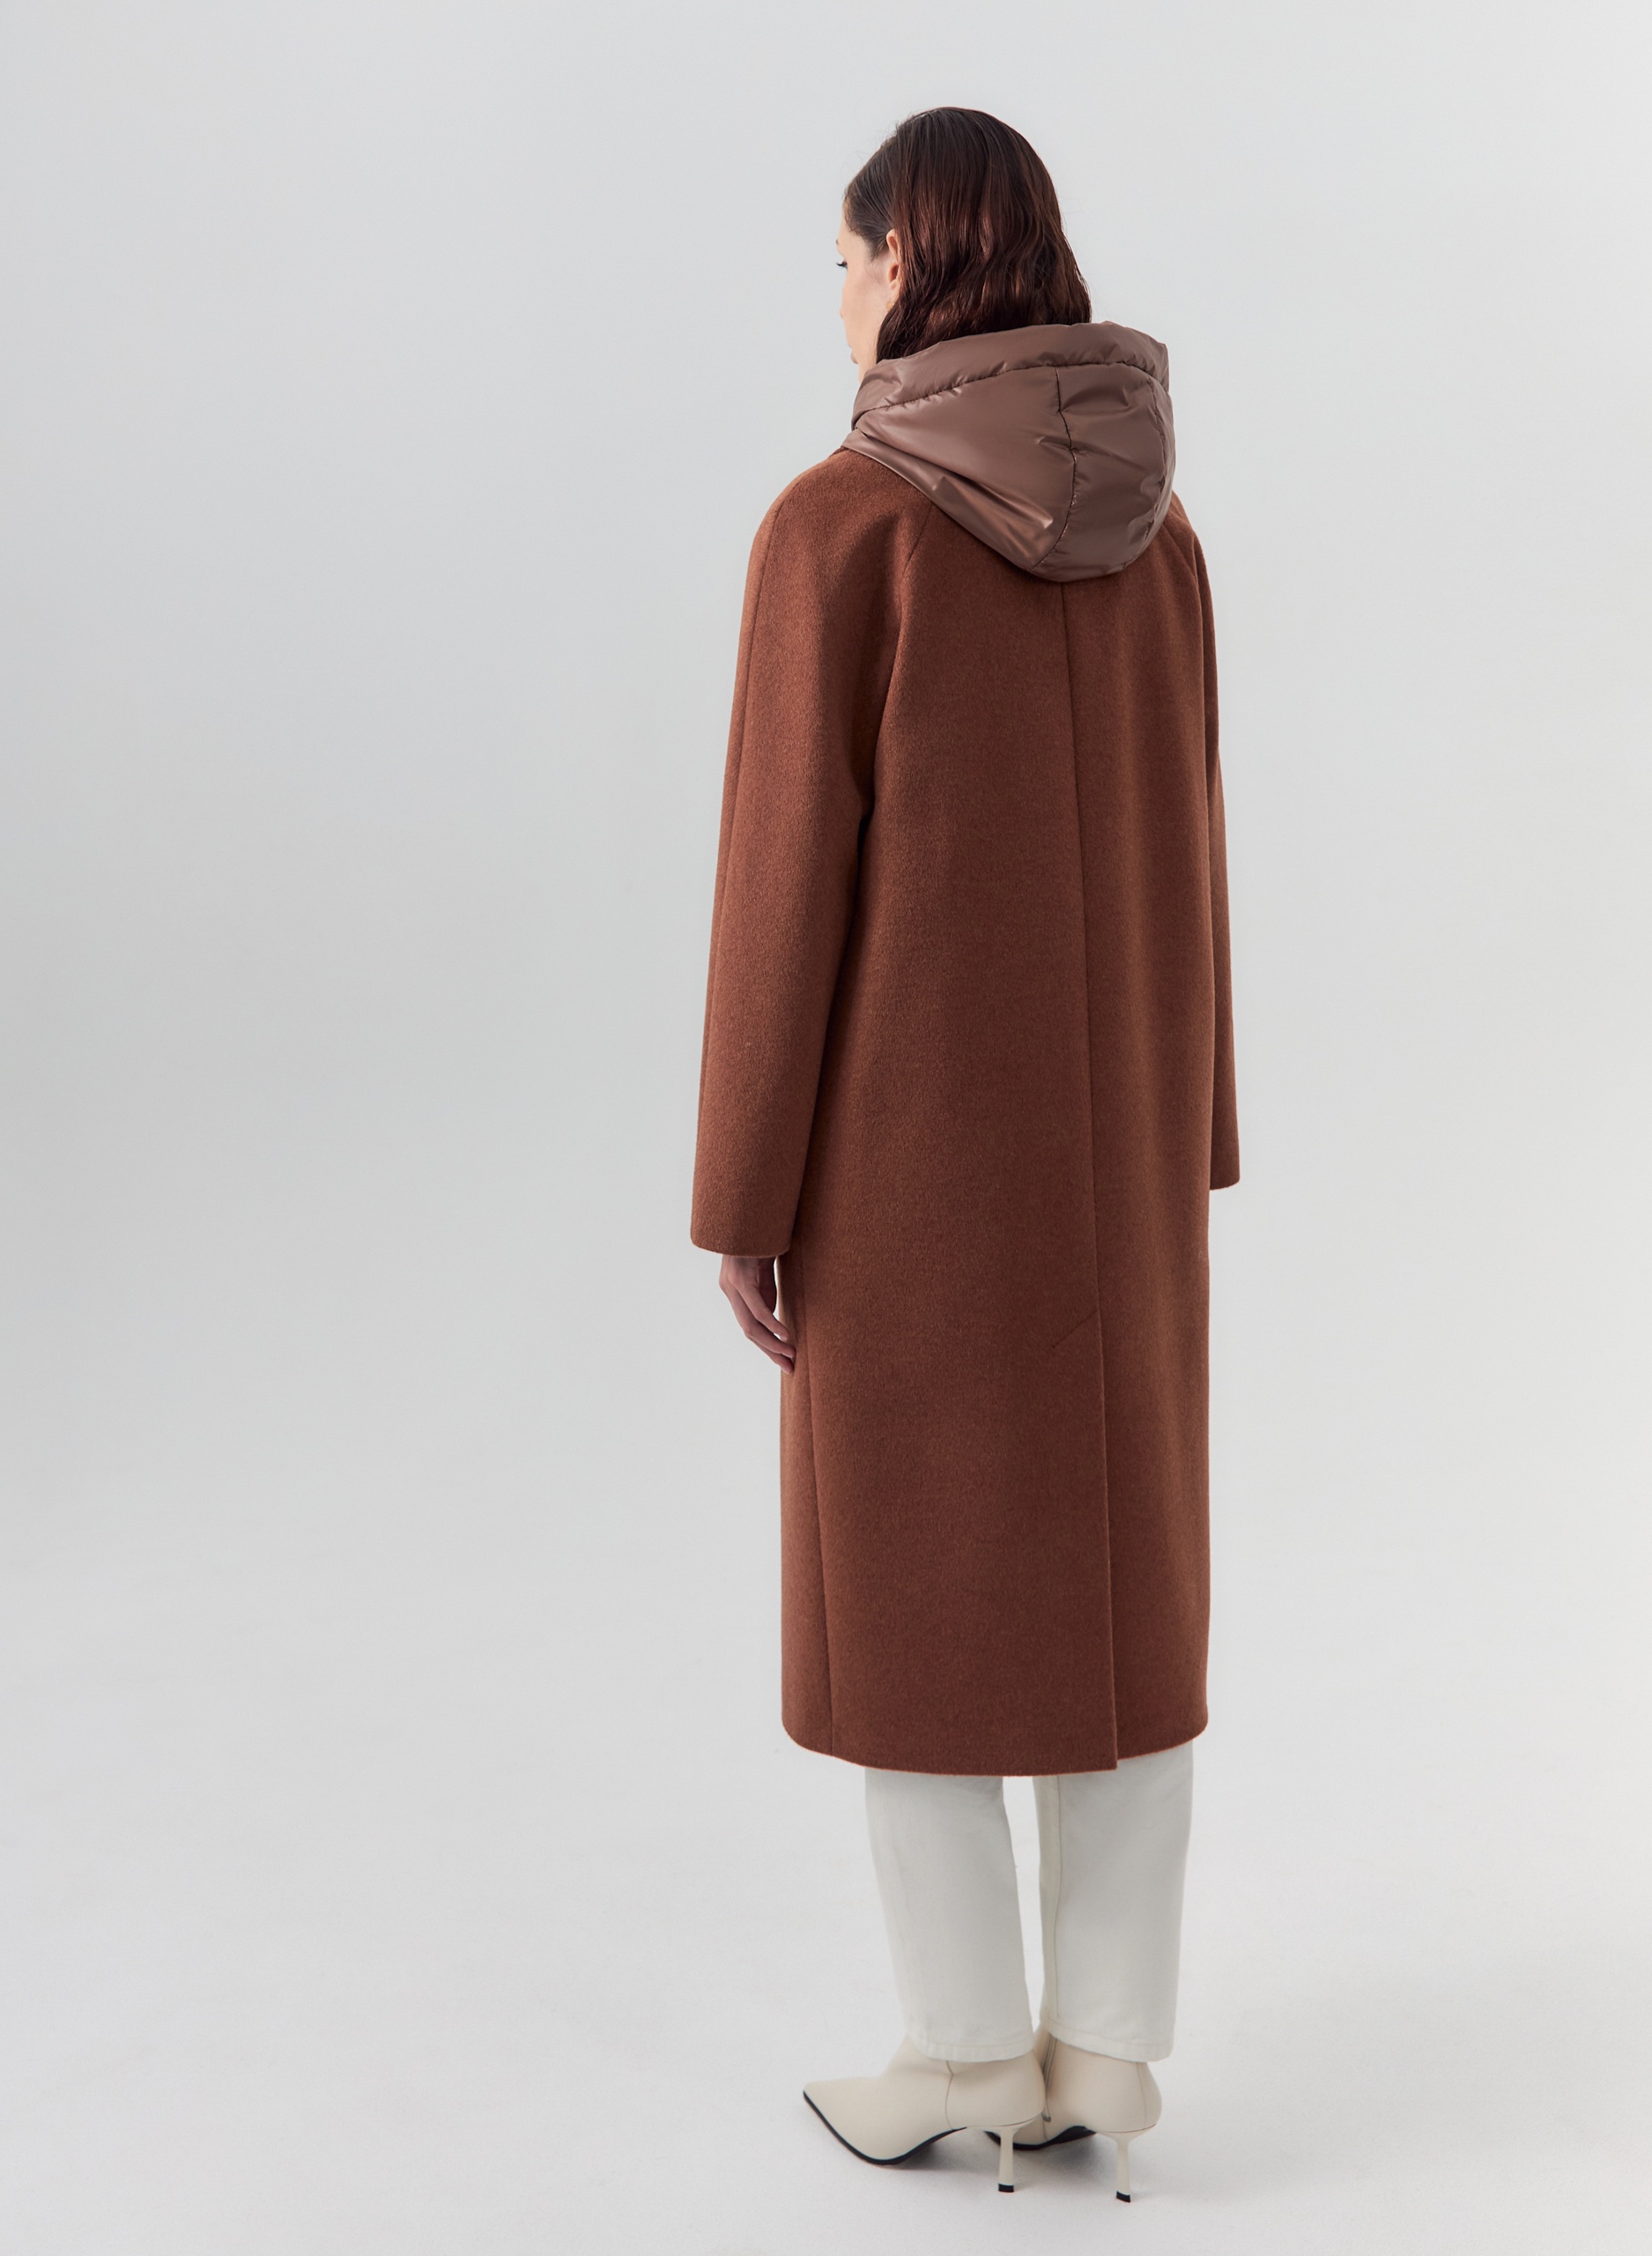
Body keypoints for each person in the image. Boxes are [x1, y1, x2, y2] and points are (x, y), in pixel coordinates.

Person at [690, 107, 1238, 2202]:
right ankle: (1109, 2048)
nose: (835, 299)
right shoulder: (1162, 538)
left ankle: (959, 2051)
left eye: (846, 260)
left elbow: (780, 895)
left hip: (904, 1172)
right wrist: (1190, 1133)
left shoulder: (843, 526)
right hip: (1121, 1172)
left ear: (911, 261)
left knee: (910, 1600)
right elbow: (1193, 856)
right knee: (1119, 1590)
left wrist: (747, 1197)